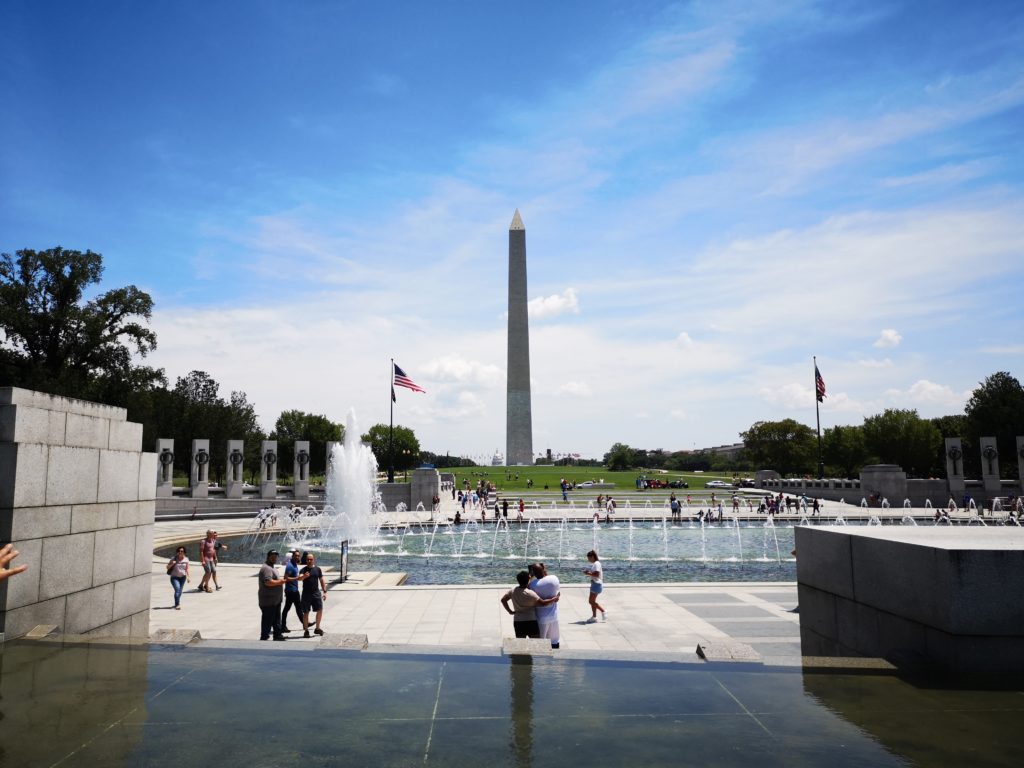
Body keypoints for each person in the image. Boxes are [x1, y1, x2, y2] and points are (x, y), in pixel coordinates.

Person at [500, 569, 559, 638]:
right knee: (535, 643)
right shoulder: (530, 593)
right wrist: (553, 599)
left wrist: (510, 611)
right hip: (531, 621)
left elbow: (503, 600)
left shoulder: (513, 591)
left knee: (521, 643)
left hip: (518, 621)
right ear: (528, 579)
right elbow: (543, 603)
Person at [528, 562, 561, 649]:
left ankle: (541, 660)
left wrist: (530, 576)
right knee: (554, 641)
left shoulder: (533, 585)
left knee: (541, 642)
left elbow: (527, 591)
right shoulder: (554, 578)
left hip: (541, 618)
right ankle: (554, 658)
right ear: (544, 569)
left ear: (533, 573)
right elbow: (558, 593)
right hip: (554, 616)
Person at [258, 550, 288, 641]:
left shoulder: (272, 567)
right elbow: (268, 582)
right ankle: (264, 638)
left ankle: (277, 635)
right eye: (272, 556)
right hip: (269, 601)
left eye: (276, 556)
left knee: (276, 620)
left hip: (275, 600)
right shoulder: (267, 568)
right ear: (268, 556)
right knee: (267, 621)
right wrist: (280, 582)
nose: (274, 558)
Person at [298, 552, 328, 638]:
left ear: (314, 560)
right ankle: (306, 630)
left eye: (311, 559)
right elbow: (299, 578)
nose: (309, 561)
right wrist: (304, 576)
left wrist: (325, 592)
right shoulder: (303, 570)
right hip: (306, 595)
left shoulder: (317, 569)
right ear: (306, 560)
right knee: (306, 612)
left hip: (316, 593)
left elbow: (322, 580)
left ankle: (317, 628)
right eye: (308, 559)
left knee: (320, 610)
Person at [282, 549, 303, 633]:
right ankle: (305, 623)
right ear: (293, 556)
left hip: (293, 590)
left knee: (292, 608)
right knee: (292, 608)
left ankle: (283, 625)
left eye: (298, 555)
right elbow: (285, 578)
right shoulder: (290, 565)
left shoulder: (294, 564)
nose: (297, 557)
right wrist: (296, 578)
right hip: (291, 591)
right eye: (296, 555)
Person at [582, 550, 606, 623]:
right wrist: (589, 573)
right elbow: (595, 574)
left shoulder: (596, 564)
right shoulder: (596, 563)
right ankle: (594, 617)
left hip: (596, 584)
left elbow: (597, 575)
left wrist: (588, 573)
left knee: (591, 601)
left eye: (589, 558)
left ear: (592, 557)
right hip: (595, 584)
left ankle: (603, 611)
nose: (588, 560)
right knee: (592, 601)